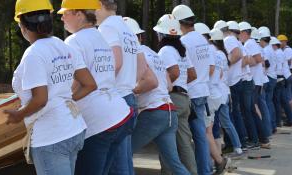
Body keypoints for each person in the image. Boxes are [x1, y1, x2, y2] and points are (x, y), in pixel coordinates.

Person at [6, 0, 97, 174]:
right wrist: (64, 100)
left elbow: (41, 99)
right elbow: (90, 84)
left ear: (23, 25)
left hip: (51, 135)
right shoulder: (62, 45)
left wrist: (20, 114)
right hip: (74, 127)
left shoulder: (33, 54)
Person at [58, 1, 136, 174]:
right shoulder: (99, 37)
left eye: (66, 12)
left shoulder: (73, 41)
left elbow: (73, 83)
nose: (62, 17)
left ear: (80, 14)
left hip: (98, 122)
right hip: (120, 114)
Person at [123, 16, 198, 175]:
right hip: (169, 110)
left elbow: (152, 82)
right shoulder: (152, 53)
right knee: (174, 162)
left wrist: (132, 91)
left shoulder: (136, 54)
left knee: (122, 154)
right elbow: (168, 85)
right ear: (140, 37)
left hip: (154, 112)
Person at [95, 1, 158, 174]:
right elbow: (143, 67)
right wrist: (129, 83)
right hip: (129, 97)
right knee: (124, 160)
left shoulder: (107, 28)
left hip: (117, 98)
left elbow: (115, 63)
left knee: (117, 164)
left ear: (99, 5)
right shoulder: (127, 29)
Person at [173, 5, 214, 175]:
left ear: (178, 22)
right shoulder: (202, 39)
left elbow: (184, 71)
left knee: (189, 137)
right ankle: (205, 169)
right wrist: (202, 79)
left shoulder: (184, 41)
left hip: (192, 93)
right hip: (203, 90)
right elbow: (211, 67)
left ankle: (202, 171)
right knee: (200, 135)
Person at [194, 22, 232, 173]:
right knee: (210, 131)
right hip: (216, 94)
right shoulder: (214, 51)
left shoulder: (203, 49)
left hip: (208, 95)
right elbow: (219, 73)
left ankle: (218, 161)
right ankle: (216, 160)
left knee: (205, 132)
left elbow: (208, 71)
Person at [214, 20, 250, 149]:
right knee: (234, 114)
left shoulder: (228, 39)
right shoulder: (234, 40)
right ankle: (239, 142)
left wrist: (227, 64)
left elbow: (238, 55)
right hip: (235, 80)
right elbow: (245, 58)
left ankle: (237, 144)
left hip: (233, 81)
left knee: (232, 115)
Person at [209, 28, 244, 159]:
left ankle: (235, 148)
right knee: (225, 122)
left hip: (217, 93)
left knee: (220, 123)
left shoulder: (214, 53)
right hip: (224, 91)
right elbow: (223, 73)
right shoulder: (223, 54)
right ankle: (236, 146)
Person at [238, 22, 271, 148]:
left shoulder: (250, 43)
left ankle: (257, 139)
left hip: (254, 81)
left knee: (250, 111)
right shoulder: (251, 43)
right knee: (252, 110)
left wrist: (243, 64)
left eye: (239, 33)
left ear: (244, 33)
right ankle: (262, 138)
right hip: (255, 80)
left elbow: (257, 59)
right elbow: (260, 60)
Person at [271, 37, 292, 127]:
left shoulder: (276, 53)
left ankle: (278, 121)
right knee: (284, 100)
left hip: (280, 77)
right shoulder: (281, 52)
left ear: (274, 45)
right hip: (284, 76)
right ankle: (290, 119)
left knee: (277, 101)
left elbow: (276, 67)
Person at [259, 27, 277, 134]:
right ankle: (272, 125)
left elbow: (266, 64)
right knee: (269, 103)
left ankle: (269, 128)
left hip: (268, 77)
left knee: (266, 104)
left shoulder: (265, 49)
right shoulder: (271, 48)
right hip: (272, 77)